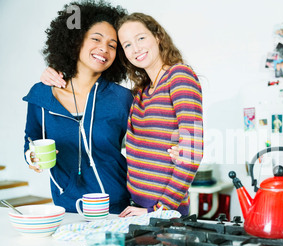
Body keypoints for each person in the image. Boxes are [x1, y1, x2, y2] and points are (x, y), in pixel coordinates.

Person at [24, 1, 132, 214]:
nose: (104, 48)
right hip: (67, 207)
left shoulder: (121, 98)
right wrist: (32, 158)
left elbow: (145, 147)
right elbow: (31, 139)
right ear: (76, 41)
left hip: (118, 208)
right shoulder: (42, 94)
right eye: (96, 39)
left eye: (113, 45)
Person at [116, 13, 203, 217]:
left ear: (157, 36)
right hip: (138, 207)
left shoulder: (179, 76)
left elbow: (192, 151)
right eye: (127, 45)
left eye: (141, 38)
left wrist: (157, 211)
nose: (135, 48)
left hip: (165, 213)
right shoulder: (141, 92)